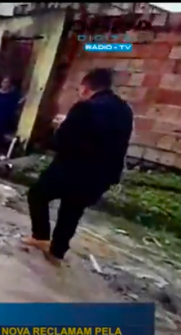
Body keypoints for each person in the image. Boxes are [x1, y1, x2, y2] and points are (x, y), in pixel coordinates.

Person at [23, 68, 133, 266]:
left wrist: (62, 125)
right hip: (101, 175)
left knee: (37, 194)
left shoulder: (84, 108)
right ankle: (57, 251)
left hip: (71, 170)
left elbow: (60, 142)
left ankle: (41, 236)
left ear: (86, 86)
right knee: (72, 211)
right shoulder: (125, 110)